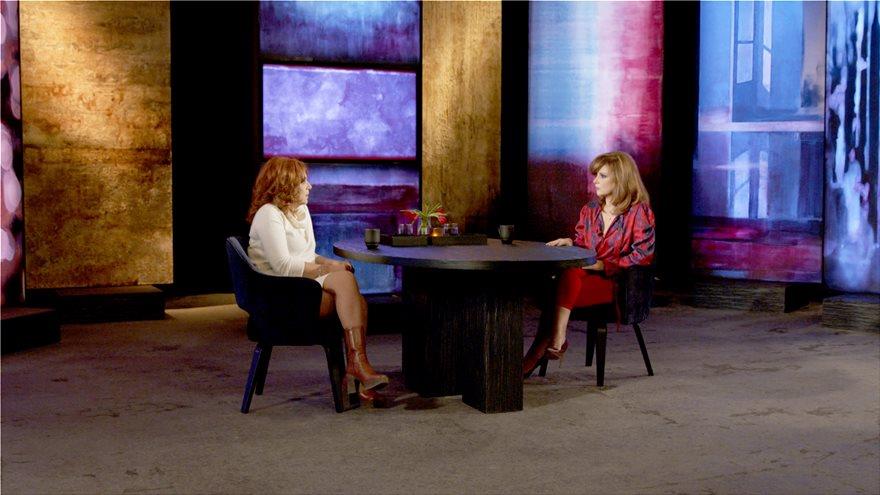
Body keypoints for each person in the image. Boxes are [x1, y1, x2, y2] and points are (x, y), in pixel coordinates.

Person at [246, 156, 389, 395]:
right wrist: (329, 270)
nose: (309, 186)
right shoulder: (268, 214)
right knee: (350, 291)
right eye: (303, 181)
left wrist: (333, 263)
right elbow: (283, 266)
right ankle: (357, 368)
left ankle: (358, 370)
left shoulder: (300, 211)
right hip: (277, 296)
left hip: (301, 286)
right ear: (285, 184)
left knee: (352, 293)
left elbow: (307, 255)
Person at [524, 151, 656, 377]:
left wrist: (604, 266)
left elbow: (642, 255)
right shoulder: (590, 210)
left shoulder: (639, 212)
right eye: (596, 175)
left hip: (618, 284)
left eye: (602, 176)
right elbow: (584, 245)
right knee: (564, 276)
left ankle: (549, 345)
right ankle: (555, 341)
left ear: (620, 179)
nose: (595, 181)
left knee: (558, 286)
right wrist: (571, 243)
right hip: (581, 278)